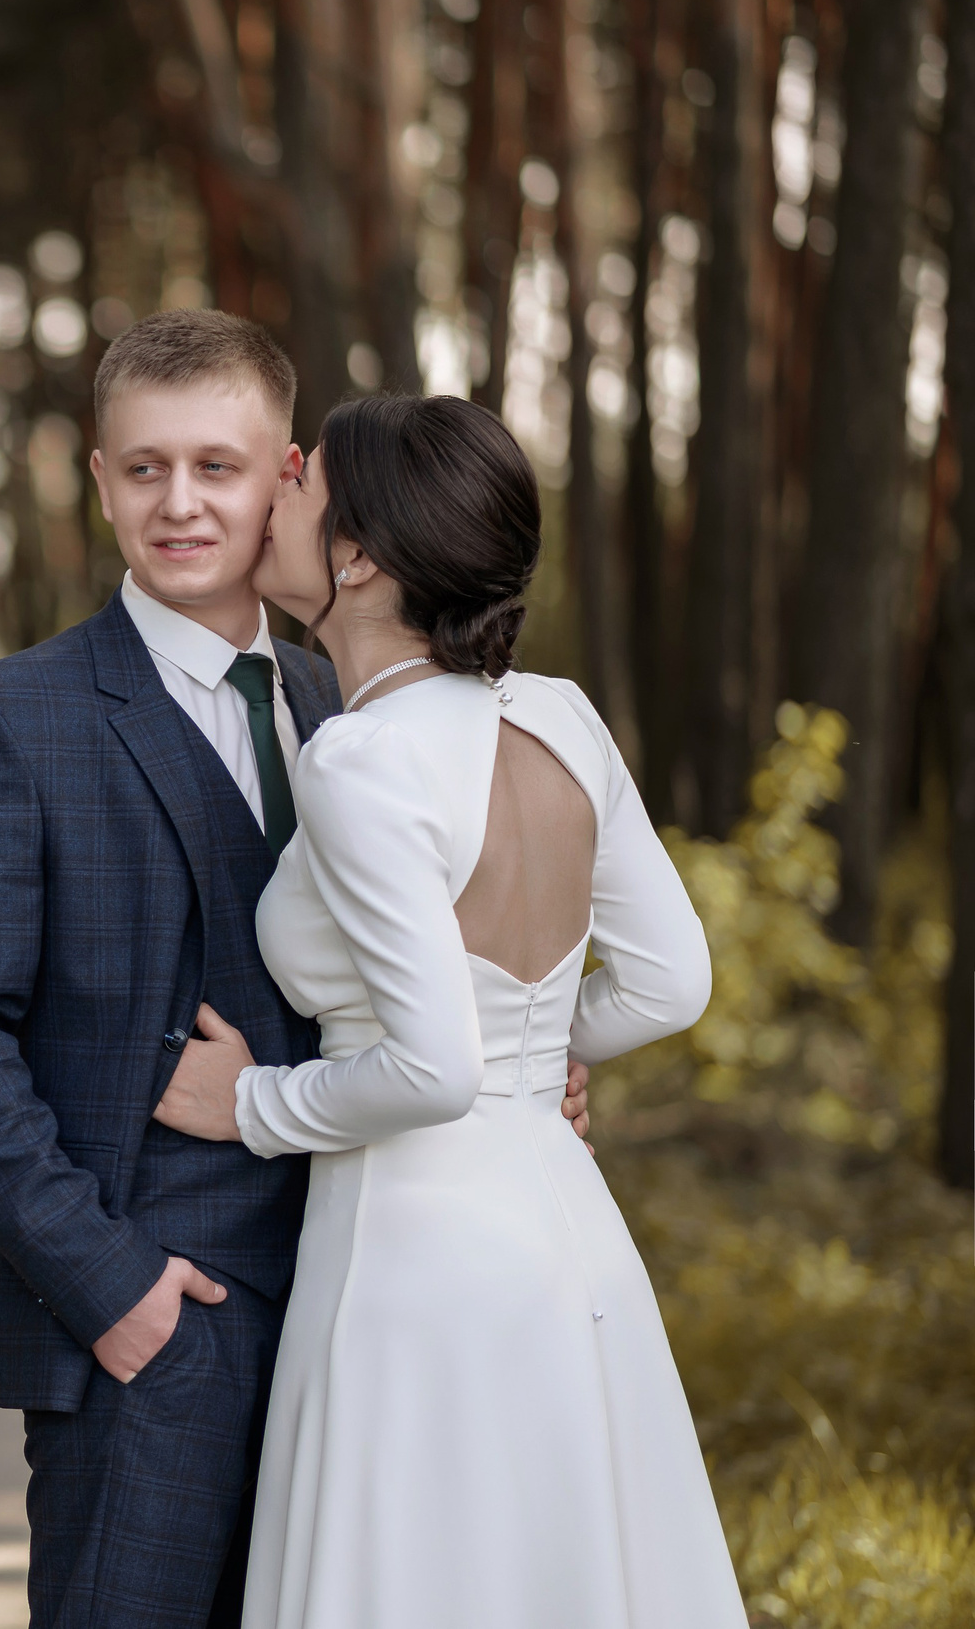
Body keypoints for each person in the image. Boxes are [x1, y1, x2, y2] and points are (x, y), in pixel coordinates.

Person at [0, 313, 593, 1627]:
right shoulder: (9, 718)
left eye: (218, 465)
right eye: (143, 467)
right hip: (153, 1336)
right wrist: (108, 1286)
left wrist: (531, 1062)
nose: (180, 502)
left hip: (370, 1314)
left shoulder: (353, 705)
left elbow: (431, 977)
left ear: (289, 476)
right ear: (98, 480)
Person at [152, 392, 747, 1627]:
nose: (280, 487)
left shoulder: (362, 757)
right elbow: (669, 979)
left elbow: (429, 1071)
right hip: (564, 1232)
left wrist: (249, 1102)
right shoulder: (562, 716)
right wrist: (543, 1059)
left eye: (305, 480)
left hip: (410, 1250)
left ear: (360, 554)